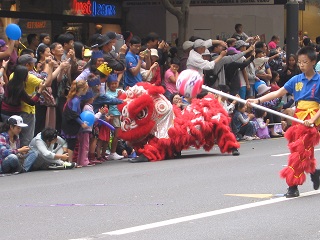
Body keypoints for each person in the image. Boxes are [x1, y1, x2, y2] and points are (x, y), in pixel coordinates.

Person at [247, 46, 320, 198]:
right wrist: (258, 100)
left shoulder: (319, 80)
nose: (301, 65)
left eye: (305, 62)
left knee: (299, 150)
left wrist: (313, 120)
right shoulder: (296, 79)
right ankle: (314, 172)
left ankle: (292, 185)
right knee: (301, 149)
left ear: (313, 62)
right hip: (298, 116)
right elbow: (278, 92)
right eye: (299, 62)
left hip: (313, 117)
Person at [61, 80, 89, 162]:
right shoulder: (75, 100)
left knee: (69, 142)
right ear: (82, 89)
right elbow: (73, 114)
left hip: (69, 122)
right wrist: (82, 123)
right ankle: (69, 161)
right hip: (70, 124)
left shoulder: (74, 98)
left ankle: (67, 160)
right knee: (71, 143)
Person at [105, 74, 124, 160]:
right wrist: (118, 96)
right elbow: (111, 102)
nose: (113, 85)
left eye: (115, 83)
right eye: (112, 84)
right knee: (115, 135)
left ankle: (112, 152)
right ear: (108, 84)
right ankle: (112, 152)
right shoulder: (107, 94)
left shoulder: (119, 90)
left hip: (120, 115)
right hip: (113, 115)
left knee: (117, 135)